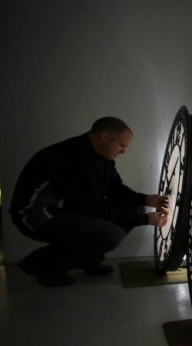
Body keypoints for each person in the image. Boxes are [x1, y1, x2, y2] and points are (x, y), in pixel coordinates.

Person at [10, 117, 169, 287]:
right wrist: (146, 220)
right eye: (122, 145)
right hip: (34, 215)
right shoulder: (72, 159)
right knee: (111, 234)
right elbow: (94, 210)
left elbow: (115, 189)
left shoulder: (101, 157)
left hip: (67, 208)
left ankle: (88, 259)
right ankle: (40, 264)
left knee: (136, 208)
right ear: (105, 137)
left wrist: (146, 199)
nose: (123, 151)